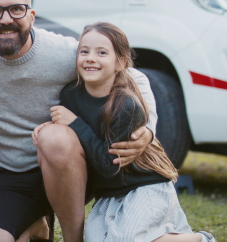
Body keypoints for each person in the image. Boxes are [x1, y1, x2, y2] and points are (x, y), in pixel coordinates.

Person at [0, 0, 157, 242]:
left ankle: (73, 238)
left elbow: (135, 77)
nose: (6, 19)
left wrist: (149, 128)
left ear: (31, 16)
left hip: (76, 166)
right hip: (16, 176)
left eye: (16, 9)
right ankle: (36, 223)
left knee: (53, 136)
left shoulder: (62, 53)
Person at [33, 22, 216, 242]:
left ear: (120, 62)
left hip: (144, 187)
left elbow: (110, 165)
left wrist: (74, 123)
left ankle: (201, 239)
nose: (90, 58)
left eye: (101, 52)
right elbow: (70, 138)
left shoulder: (126, 105)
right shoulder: (71, 95)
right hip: (109, 194)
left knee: (129, 240)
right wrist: (48, 127)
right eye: (84, 51)